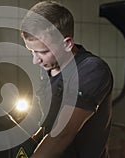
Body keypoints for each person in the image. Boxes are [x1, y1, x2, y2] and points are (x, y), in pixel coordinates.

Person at [20, 1, 113, 158]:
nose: (35, 61)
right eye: (32, 52)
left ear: (68, 44)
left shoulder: (92, 70)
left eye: (42, 52)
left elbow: (62, 134)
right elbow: (48, 123)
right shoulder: (49, 69)